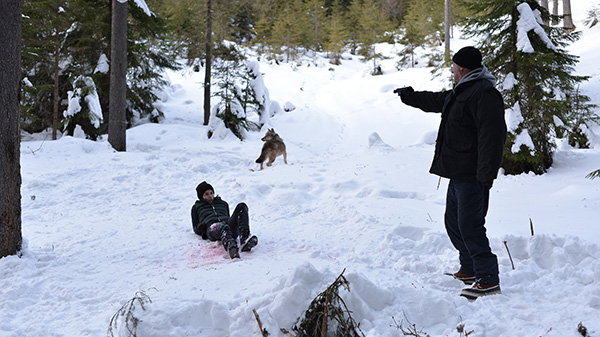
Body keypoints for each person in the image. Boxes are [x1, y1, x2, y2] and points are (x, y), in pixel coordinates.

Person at [394, 46, 507, 299]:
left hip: (473, 175)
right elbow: (436, 101)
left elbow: (493, 137)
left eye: (454, 67)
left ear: (463, 69)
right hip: (457, 173)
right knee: (453, 223)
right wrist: (410, 96)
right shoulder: (463, 90)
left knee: (470, 225)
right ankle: (469, 268)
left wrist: (485, 176)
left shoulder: (484, 94)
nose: (452, 70)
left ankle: (488, 278)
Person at [191, 181, 258, 259]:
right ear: (201, 196)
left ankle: (245, 238)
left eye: (211, 193)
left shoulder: (223, 203)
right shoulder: (196, 207)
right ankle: (231, 246)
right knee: (222, 226)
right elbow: (195, 227)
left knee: (242, 206)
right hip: (212, 228)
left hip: (226, 224)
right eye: (206, 194)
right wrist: (200, 228)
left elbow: (228, 217)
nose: (210, 196)